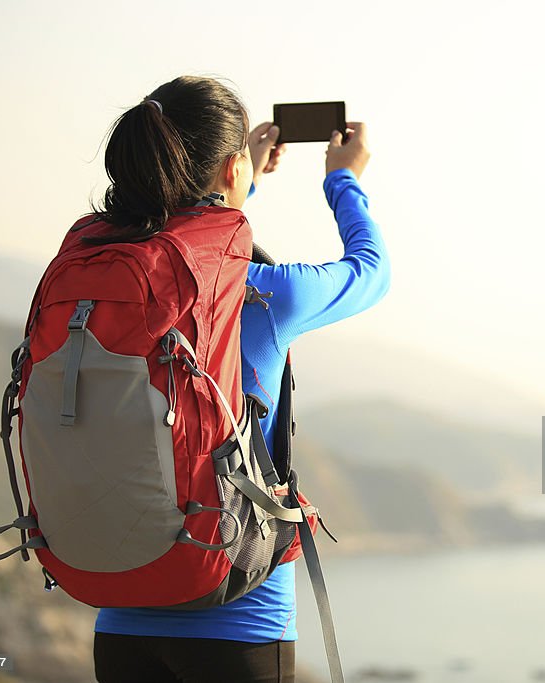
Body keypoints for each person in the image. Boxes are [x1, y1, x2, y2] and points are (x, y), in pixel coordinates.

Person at [87, 76, 390, 683]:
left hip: (121, 619)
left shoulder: (103, 280)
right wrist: (343, 177)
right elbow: (369, 270)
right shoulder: (266, 293)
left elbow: (182, 257)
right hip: (240, 619)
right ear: (231, 169)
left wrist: (234, 179)